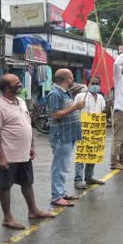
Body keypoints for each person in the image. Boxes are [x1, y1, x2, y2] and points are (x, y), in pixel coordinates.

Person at [0, 74, 56, 230]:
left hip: (24, 154)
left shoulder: (20, 101)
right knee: (5, 186)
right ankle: (7, 217)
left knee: (27, 183)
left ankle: (33, 210)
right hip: (8, 155)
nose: (20, 85)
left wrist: (31, 146)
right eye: (17, 83)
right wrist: (1, 157)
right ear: (7, 88)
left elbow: (27, 124)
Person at [47, 69, 85, 207]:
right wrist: (75, 107)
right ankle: (57, 196)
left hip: (69, 134)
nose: (73, 79)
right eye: (72, 77)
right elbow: (55, 114)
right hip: (61, 135)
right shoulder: (55, 93)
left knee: (64, 165)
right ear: (66, 78)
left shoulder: (65, 92)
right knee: (59, 166)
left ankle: (61, 192)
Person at [73, 76, 107, 189]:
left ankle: (89, 177)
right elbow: (74, 111)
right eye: (93, 83)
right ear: (88, 84)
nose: (95, 85)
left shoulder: (101, 97)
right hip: (83, 129)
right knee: (82, 155)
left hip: (96, 130)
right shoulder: (80, 96)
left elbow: (102, 111)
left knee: (92, 154)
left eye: (97, 83)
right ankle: (78, 180)